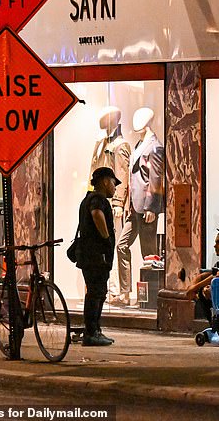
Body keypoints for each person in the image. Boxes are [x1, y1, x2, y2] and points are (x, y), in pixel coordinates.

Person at [116, 107, 165, 304]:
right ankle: (125, 292)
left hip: (145, 207)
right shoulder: (138, 144)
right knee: (121, 245)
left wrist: (152, 207)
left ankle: (151, 299)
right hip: (133, 206)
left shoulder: (155, 147)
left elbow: (156, 178)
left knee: (149, 255)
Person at [75, 167, 122, 346]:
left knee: (96, 292)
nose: (114, 187)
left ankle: (94, 330)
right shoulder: (97, 199)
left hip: (91, 255)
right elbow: (96, 215)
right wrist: (106, 237)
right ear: (104, 181)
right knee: (96, 293)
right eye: (112, 183)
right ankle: (92, 332)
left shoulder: (88, 199)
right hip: (96, 256)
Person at [89, 106, 131, 305]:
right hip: (97, 198)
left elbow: (122, 174)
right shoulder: (101, 142)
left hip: (111, 201)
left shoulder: (121, 145)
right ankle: (107, 288)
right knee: (99, 243)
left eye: (106, 117)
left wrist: (118, 202)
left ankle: (115, 290)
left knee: (111, 243)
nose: (101, 120)